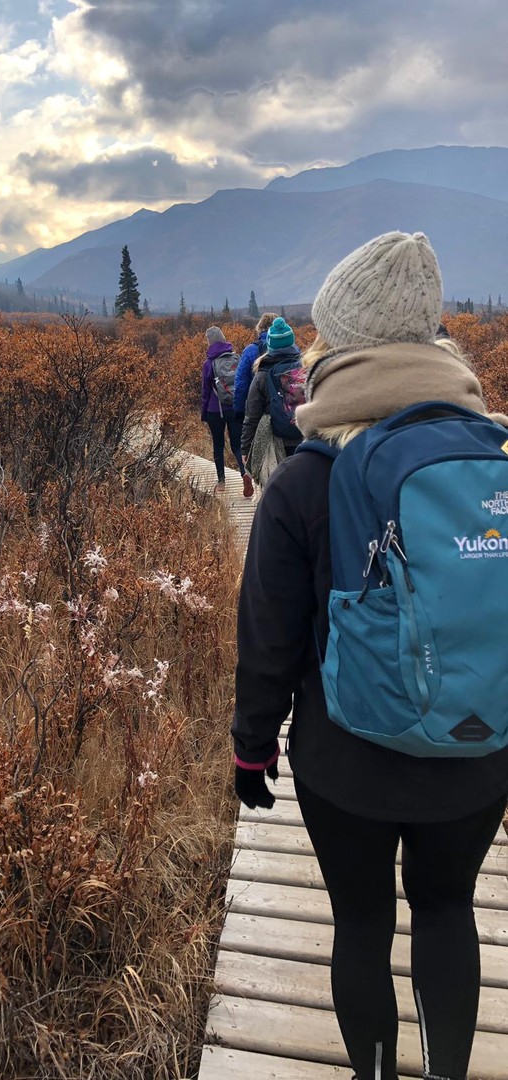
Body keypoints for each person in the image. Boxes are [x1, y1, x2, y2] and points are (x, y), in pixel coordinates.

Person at [231, 231, 508, 1080]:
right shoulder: (492, 456)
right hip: (476, 752)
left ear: (338, 341)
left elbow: (269, 640)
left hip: (341, 758)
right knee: (447, 911)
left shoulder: (305, 480)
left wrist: (252, 747)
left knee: (360, 925)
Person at [240, 315, 303, 468]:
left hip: (276, 438)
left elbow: (252, 414)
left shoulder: (262, 374)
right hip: (304, 434)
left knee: (280, 482)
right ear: (292, 342)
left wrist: (245, 447)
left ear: (270, 345)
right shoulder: (305, 368)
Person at [200, 326, 254, 497]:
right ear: (224, 339)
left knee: (218, 445)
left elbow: (205, 391)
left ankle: (221, 482)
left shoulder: (208, 364)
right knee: (237, 445)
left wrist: (204, 413)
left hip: (215, 410)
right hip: (235, 407)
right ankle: (245, 473)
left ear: (209, 342)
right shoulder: (235, 358)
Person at [232, 311, 277, 414]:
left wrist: (239, 409)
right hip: (285, 410)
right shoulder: (292, 349)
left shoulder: (250, 350)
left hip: (257, 407)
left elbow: (241, 383)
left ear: (260, 328)